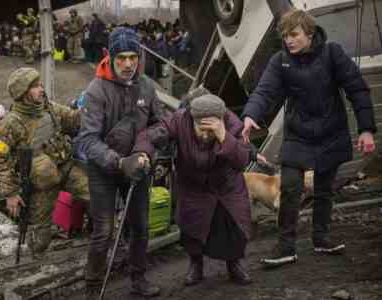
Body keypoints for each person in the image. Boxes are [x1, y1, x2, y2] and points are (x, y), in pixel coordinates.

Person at [241, 9, 377, 267]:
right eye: (285, 36)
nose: (289, 40)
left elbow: (357, 88)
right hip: (298, 134)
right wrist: (250, 115)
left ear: (310, 34)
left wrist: (366, 129)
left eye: (294, 34)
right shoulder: (280, 61)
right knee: (290, 187)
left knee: (324, 189)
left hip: (331, 131)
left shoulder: (332, 53)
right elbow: (265, 90)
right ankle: (286, 247)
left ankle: (321, 239)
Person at [75, 27, 164, 298]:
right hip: (103, 169)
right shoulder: (96, 90)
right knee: (103, 231)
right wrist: (119, 162)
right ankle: (92, 288)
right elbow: (88, 141)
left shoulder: (147, 86)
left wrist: (146, 152)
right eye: (121, 58)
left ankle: (138, 279)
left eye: (132, 57)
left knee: (140, 226)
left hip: (138, 166)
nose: (128, 64)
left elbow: (159, 125)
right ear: (110, 57)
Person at [135, 95, 253, 286]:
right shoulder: (180, 119)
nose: (206, 136)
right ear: (192, 120)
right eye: (201, 130)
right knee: (192, 226)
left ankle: (234, 264)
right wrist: (141, 152)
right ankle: (195, 264)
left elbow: (242, 160)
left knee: (233, 226)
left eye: (210, 131)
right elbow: (152, 134)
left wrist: (224, 136)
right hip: (193, 183)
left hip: (226, 185)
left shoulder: (232, 123)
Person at [0, 67, 89, 258]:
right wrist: (10, 193)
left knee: (96, 195)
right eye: (34, 87)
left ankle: (100, 238)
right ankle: (36, 262)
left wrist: (89, 108)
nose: (40, 89)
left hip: (66, 167)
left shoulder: (50, 109)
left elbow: (74, 120)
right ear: (22, 93)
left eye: (40, 85)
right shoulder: (11, 123)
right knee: (41, 235)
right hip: (42, 183)